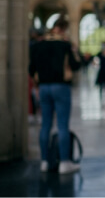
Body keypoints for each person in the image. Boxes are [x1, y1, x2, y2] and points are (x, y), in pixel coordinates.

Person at [29, 17, 81, 174]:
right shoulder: (65, 45)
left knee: (45, 125)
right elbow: (75, 65)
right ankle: (64, 163)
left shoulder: (38, 45)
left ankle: (45, 161)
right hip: (61, 86)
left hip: (44, 87)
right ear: (63, 29)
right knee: (62, 125)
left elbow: (31, 68)